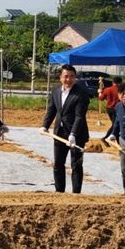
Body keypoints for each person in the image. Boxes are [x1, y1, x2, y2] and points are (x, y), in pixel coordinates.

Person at [40, 64, 90, 193]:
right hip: (60, 133)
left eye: (72, 77)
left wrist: (73, 134)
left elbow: (79, 117)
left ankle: (76, 193)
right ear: (60, 77)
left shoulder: (81, 94)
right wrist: (45, 125)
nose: (68, 79)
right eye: (66, 76)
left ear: (75, 78)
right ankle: (59, 191)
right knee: (58, 164)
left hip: (77, 135)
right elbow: (52, 109)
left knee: (76, 165)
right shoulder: (56, 90)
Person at [98, 76, 121, 141]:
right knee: (115, 124)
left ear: (113, 82)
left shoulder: (107, 89)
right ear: (120, 83)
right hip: (117, 109)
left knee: (116, 124)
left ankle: (115, 137)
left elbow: (101, 98)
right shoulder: (120, 90)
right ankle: (106, 138)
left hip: (109, 109)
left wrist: (100, 93)